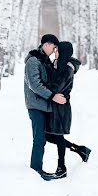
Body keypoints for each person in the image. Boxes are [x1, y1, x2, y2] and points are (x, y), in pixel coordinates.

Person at [44, 41, 91, 180]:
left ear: (63, 52)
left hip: (61, 108)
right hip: (56, 107)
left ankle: (61, 168)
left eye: (57, 50)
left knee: (57, 137)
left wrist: (44, 84)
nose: (55, 53)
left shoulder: (67, 69)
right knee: (50, 136)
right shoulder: (60, 66)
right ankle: (80, 150)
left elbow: (56, 88)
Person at [24, 34, 66, 179]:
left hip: (44, 106)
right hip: (36, 106)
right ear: (46, 45)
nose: (54, 51)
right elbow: (35, 85)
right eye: (54, 48)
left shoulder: (43, 60)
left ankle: (79, 150)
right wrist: (53, 96)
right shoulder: (33, 61)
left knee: (50, 137)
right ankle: (35, 170)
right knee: (39, 139)